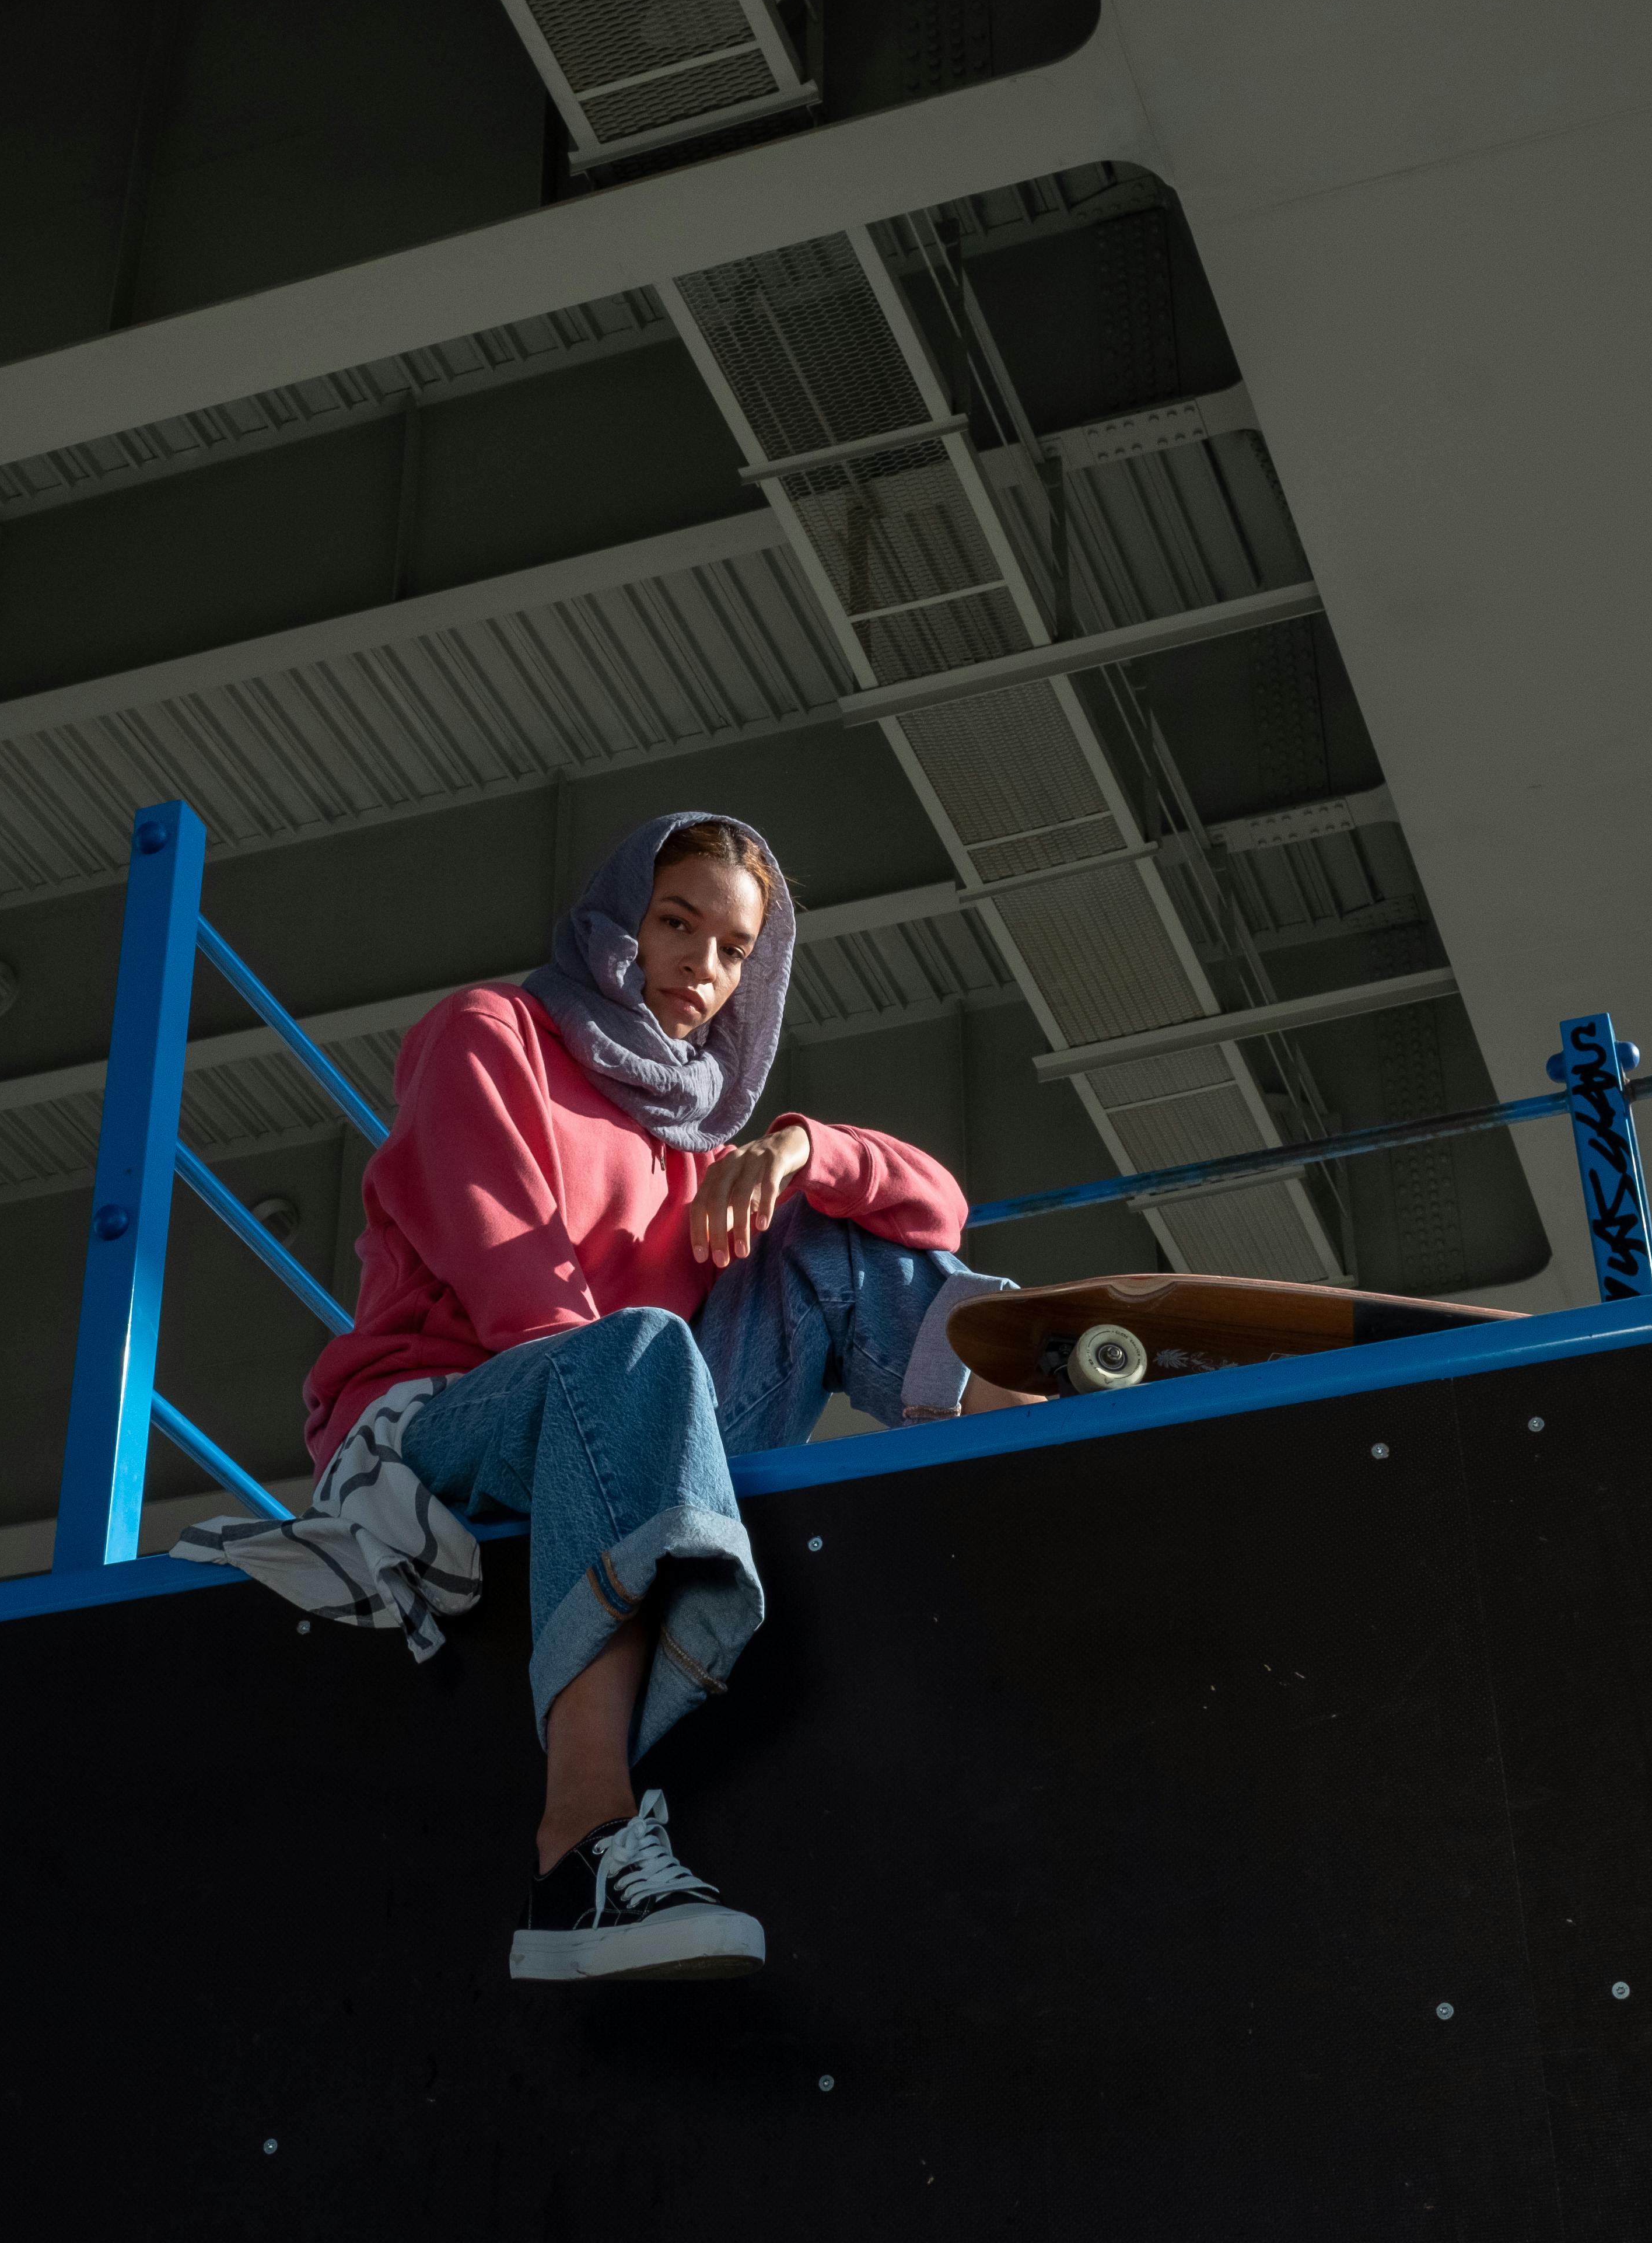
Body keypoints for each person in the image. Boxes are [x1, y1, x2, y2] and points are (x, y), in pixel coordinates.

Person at [181, 811, 1036, 1984]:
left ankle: (1035, 1445)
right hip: (445, 1419)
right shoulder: (493, 1033)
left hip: (632, 1415)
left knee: (826, 1245)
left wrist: (794, 1147)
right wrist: (637, 1424)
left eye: (734, 949)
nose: (702, 965)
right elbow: (518, 1286)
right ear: (616, 918)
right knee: (631, 1350)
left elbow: (930, 1215)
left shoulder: (699, 1142)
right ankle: (578, 1842)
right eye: (675, 921)